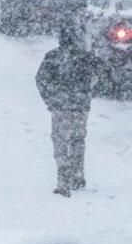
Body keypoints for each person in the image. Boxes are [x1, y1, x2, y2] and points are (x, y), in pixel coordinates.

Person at [34, 23, 100, 197]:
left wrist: (50, 99)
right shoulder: (85, 58)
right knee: (78, 140)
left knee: (61, 141)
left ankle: (63, 179)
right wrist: (87, 94)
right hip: (80, 107)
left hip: (60, 107)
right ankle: (78, 175)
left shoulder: (52, 57)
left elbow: (41, 80)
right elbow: (99, 76)